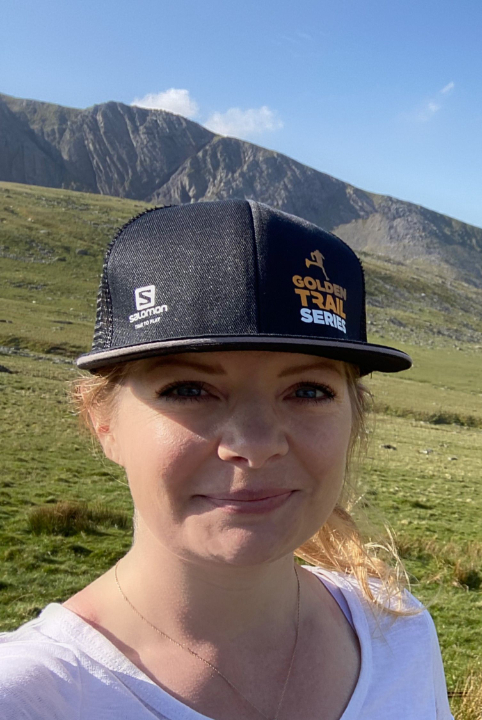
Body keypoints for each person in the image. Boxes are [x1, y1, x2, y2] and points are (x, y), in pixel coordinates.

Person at [0, 200, 452, 720]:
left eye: (308, 391)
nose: (256, 444)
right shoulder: (31, 698)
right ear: (103, 423)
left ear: (355, 418)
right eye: (188, 389)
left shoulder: (400, 634)